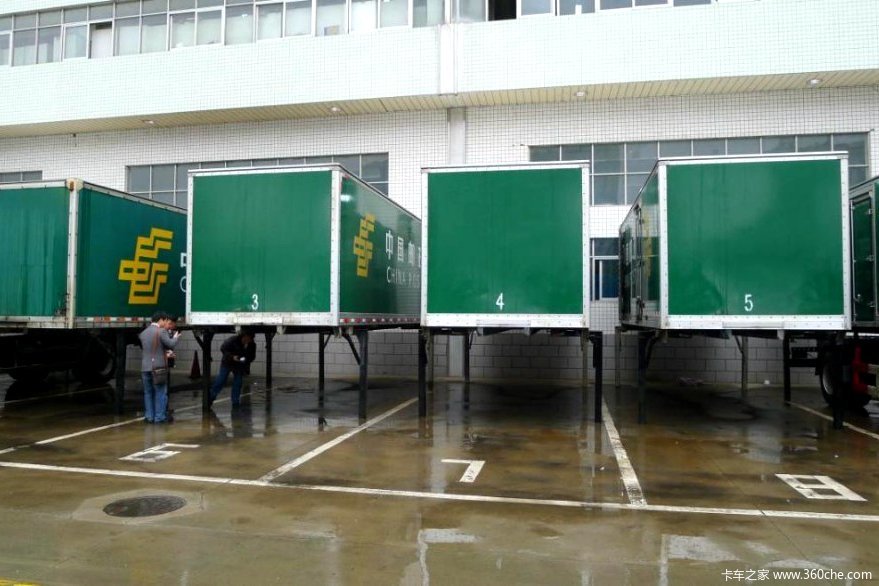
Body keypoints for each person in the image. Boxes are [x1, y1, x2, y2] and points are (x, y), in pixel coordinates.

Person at [138, 311, 181, 423]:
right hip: (158, 368)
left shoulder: (143, 333)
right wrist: (175, 338)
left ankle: (149, 416)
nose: (165, 323)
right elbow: (171, 344)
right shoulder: (161, 331)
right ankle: (159, 417)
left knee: (148, 393)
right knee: (160, 392)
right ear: (160, 320)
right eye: (165, 320)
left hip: (145, 367)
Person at [208, 330, 256, 409]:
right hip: (228, 362)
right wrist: (232, 357)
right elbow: (223, 348)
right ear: (244, 336)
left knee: (238, 383)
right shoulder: (233, 340)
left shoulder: (251, 345)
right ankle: (210, 397)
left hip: (239, 364)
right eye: (247, 339)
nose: (247, 341)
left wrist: (245, 360)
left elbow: (252, 356)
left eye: (249, 339)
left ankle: (235, 402)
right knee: (221, 380)